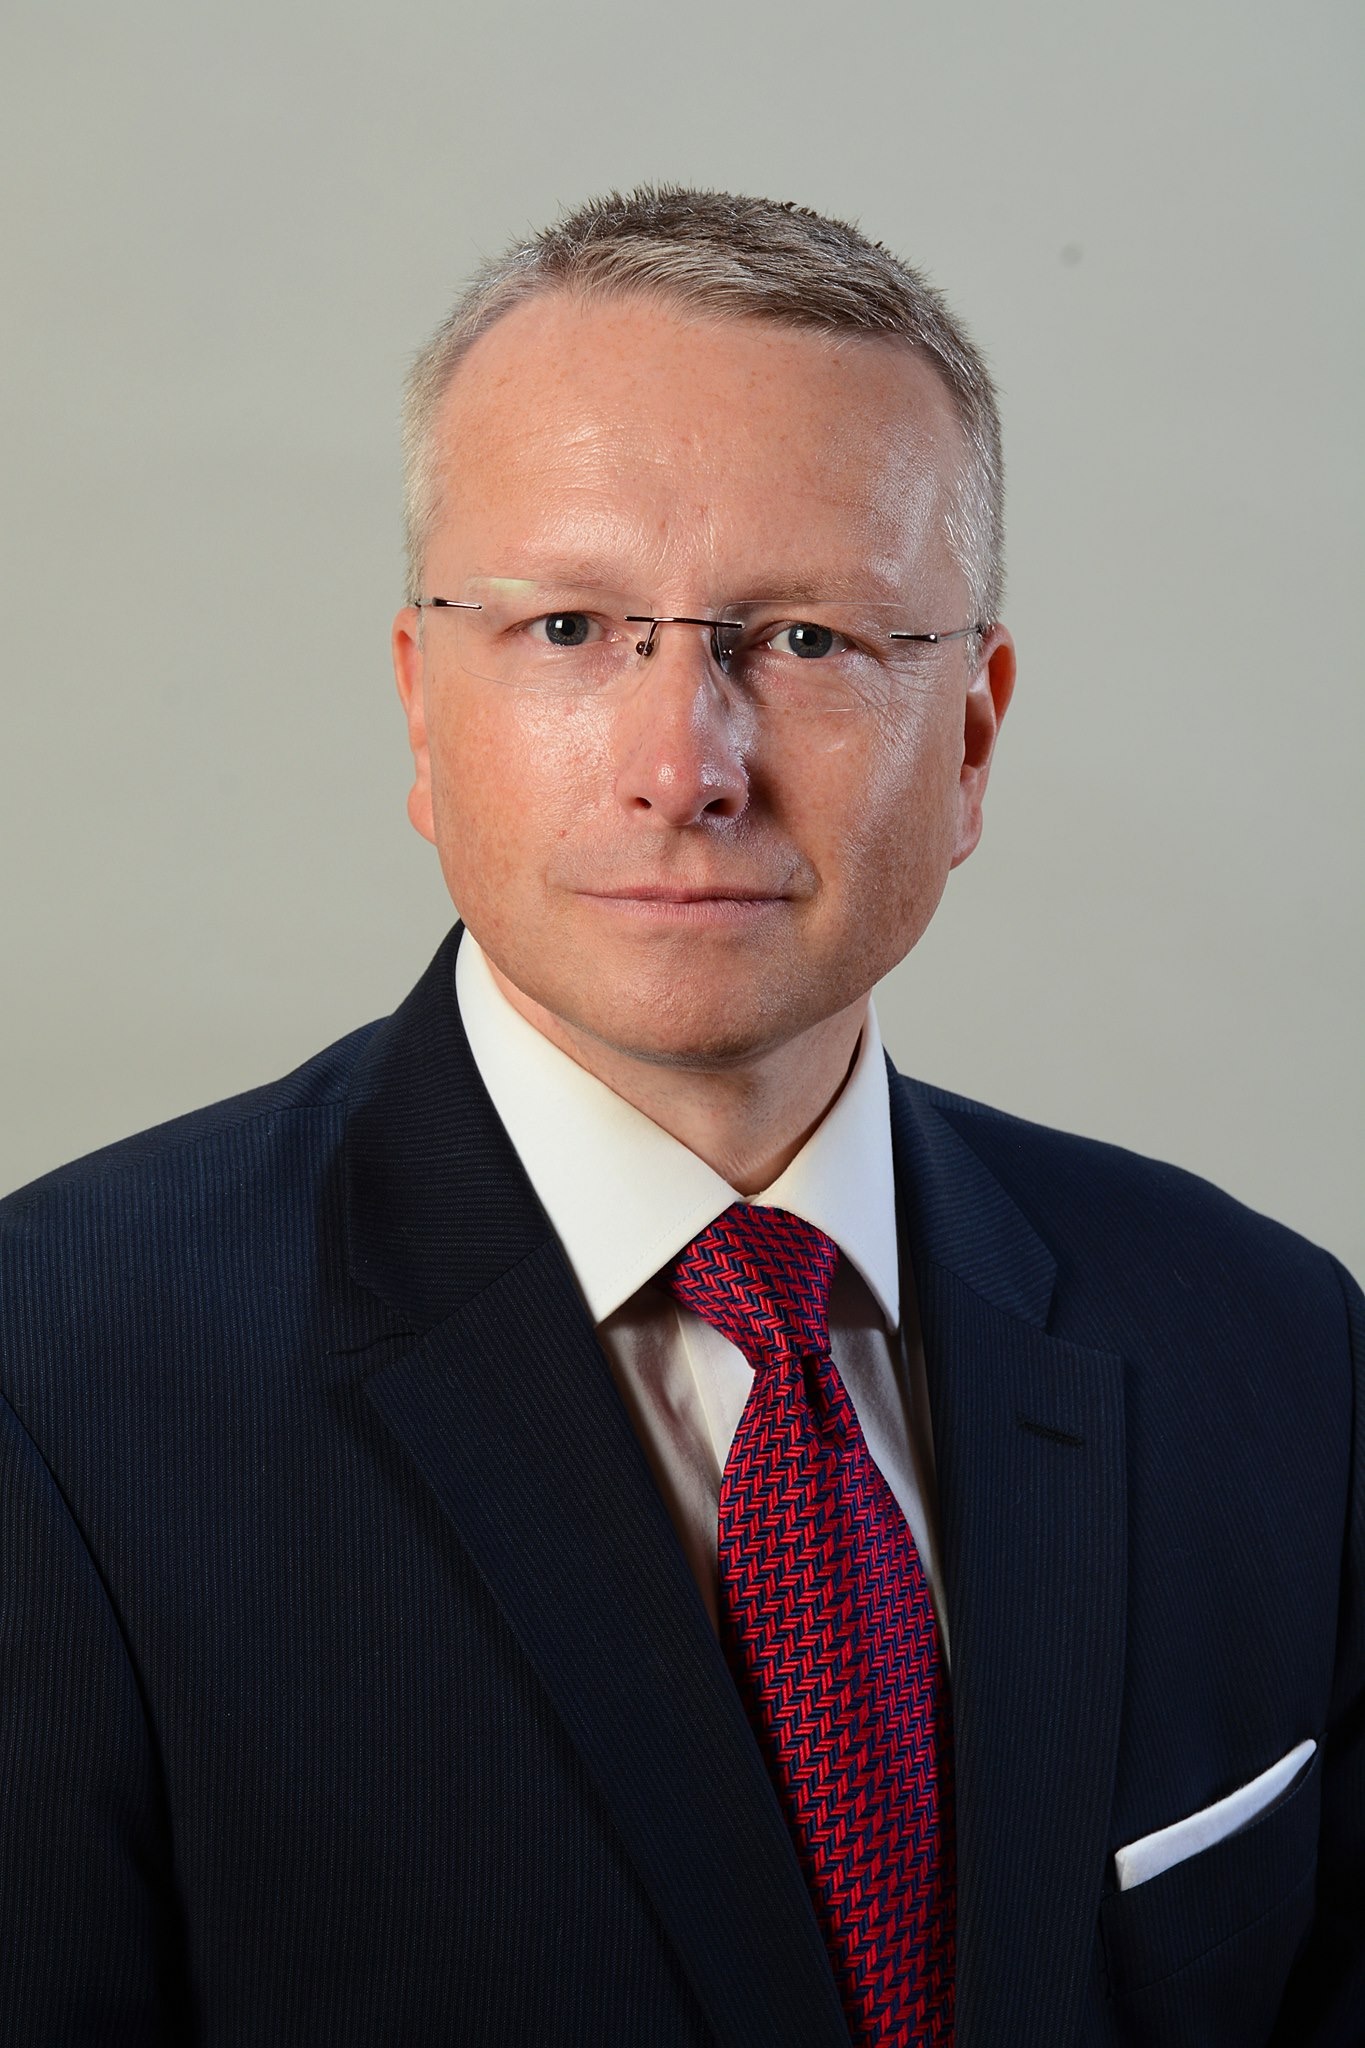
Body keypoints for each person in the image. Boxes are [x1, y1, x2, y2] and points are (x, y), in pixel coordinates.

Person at [0, 187, 1359, 2048]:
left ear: (971, 738)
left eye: (803, 639)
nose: (684, 767)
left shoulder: (1275, 1348)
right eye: (570, 626)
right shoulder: (50, 1387)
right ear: (422, 709)